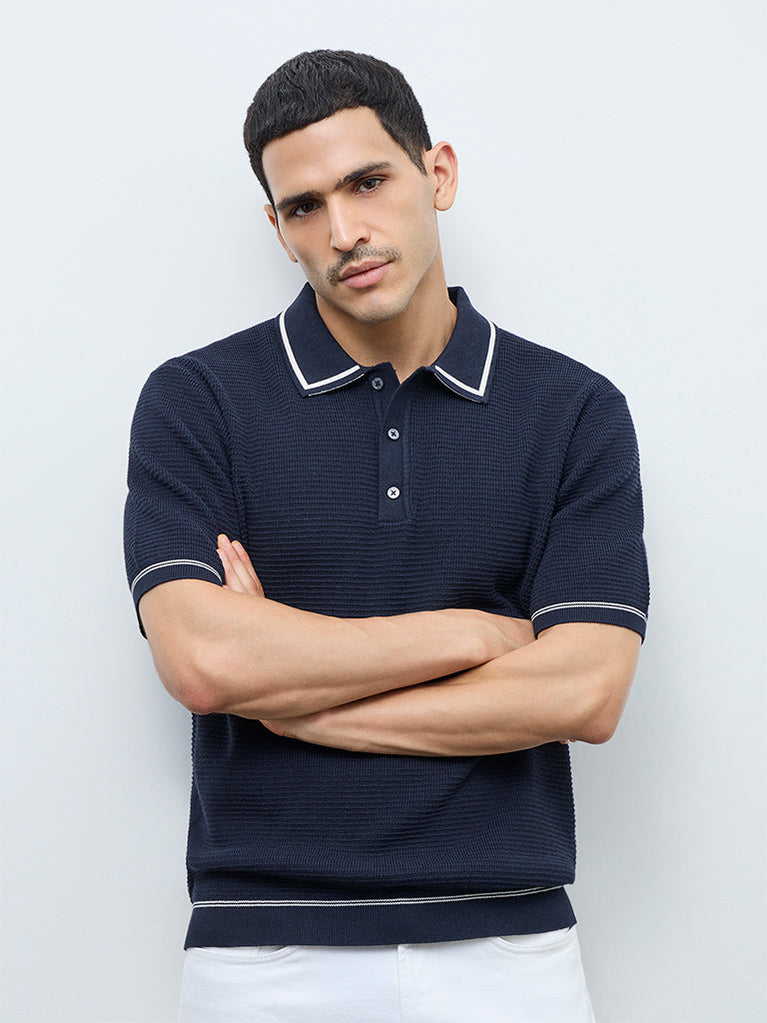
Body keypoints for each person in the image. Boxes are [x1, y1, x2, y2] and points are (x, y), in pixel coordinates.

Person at [124, 49, 648, 1022]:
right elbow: (204, 661)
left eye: (367, 182)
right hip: (262, 953)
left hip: (509, 950)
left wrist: (295, 706)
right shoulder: (197, 402)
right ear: (277, 230)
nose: (342, 232)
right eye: (304, 206)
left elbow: (583, 690)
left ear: (436, 174)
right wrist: (474, 632)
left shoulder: (571, 411)